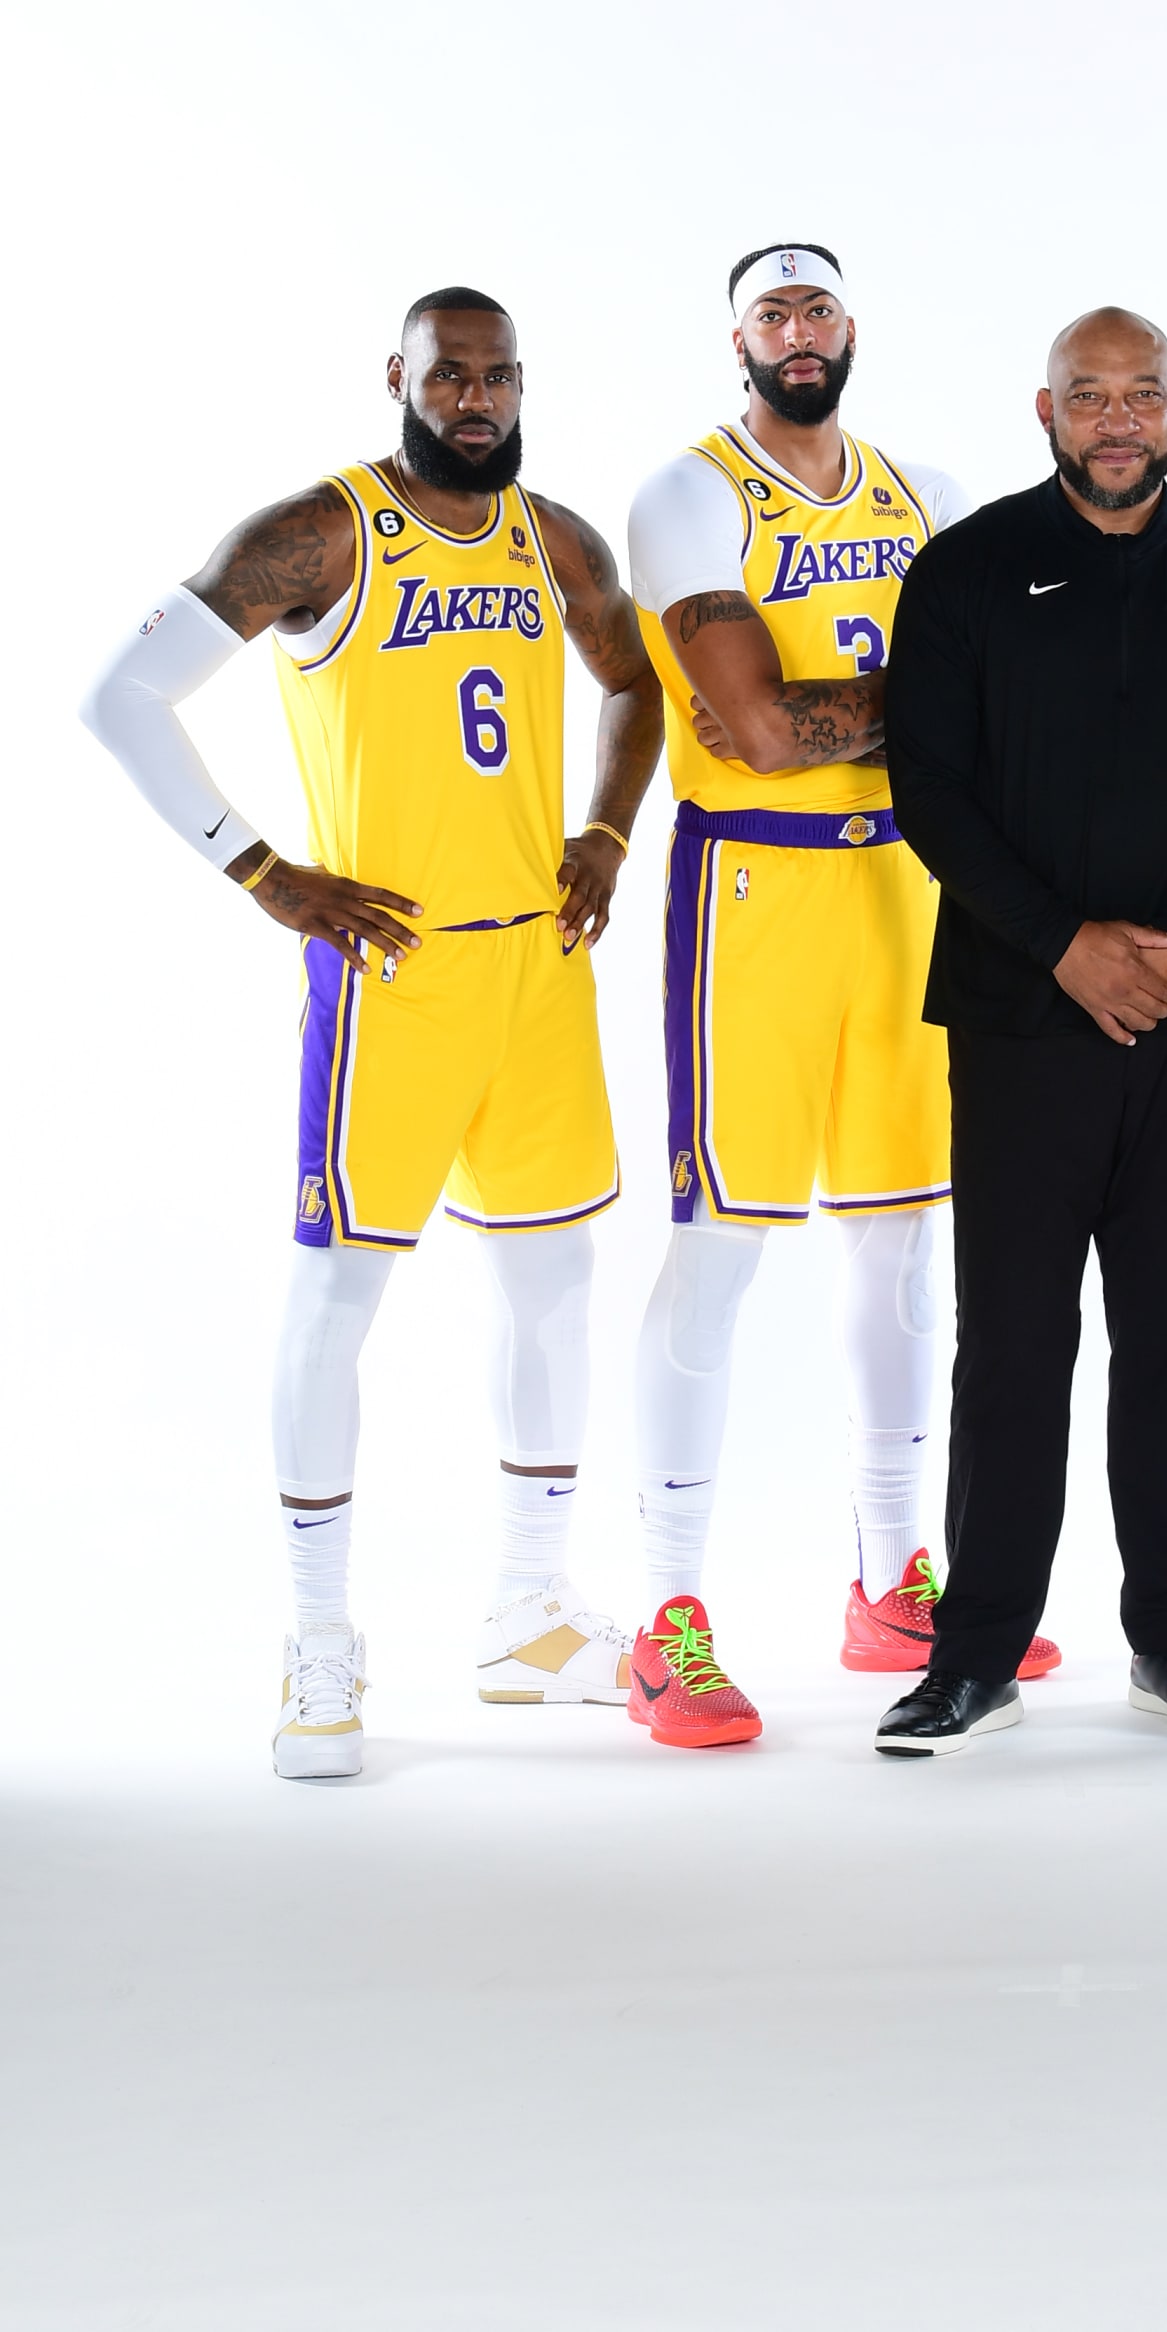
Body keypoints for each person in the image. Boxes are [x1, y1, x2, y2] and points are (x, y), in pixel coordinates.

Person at [81, 287, 663, 1777]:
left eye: (497, 377)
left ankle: (530, 1611)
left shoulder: (556, 537)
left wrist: (603, 828)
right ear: (395, 380)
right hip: (388, 974)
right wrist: (260, 868)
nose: (475, 399)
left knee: (554, 1280)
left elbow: (632, 685)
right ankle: (321, 1644)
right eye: (446, 375)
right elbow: (123, 697)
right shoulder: (321, 534)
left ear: (523, 386)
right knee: (339, 1298)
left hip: (536, 969)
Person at [623, 242, 1059, 1749]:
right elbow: (752, 728)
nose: (797, 333)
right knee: (723, 1245)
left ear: (851, 331)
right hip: (753, 894)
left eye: (817, 309)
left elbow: (1016, 684)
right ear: (734, 339)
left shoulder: (918, 488)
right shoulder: (690, 494)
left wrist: (915, 720)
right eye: (771, 312)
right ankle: (663, 1616)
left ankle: (889, 1586)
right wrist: (932, 710)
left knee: (896, 1245)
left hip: (906, 889)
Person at [874, 306, 1167, 1757]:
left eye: (1140, 396)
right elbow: (932, 791)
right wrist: (1067, 947)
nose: (1116, 419)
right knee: (1010, 1341)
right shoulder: (968, 569)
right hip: (1017, 1014)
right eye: (1088, 396)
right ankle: (975, 1655)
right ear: (1045, 410)